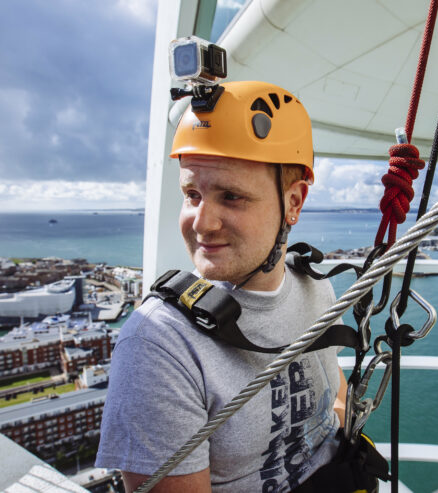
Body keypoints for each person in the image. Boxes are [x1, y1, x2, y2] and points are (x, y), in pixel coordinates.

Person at [96, 81, 348, 492]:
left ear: (295, 203)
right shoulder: (159, 345)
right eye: (192, 194)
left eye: (231, 197)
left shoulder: (314, 289)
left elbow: (333, 402)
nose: (201, 222)